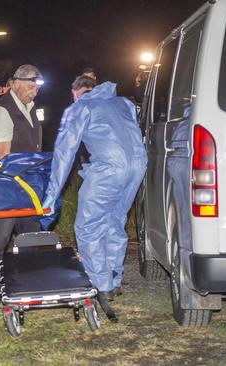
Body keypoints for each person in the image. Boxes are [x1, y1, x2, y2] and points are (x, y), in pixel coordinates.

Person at [42, 77, 147, 303]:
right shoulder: (124, 103)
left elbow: (64, 152)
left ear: (75, 92)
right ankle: (114, 277)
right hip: (137, 167)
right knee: (114, 220)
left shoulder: (80, 107)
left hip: (109, 168)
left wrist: (52, 192)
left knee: (88, 226)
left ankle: (100, 284)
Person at [0, 64, 44, 299]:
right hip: (4, 184)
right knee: (0, 234)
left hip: (26, 183)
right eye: (30, 87)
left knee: (31, 231)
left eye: (37, 88)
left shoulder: (30, 107)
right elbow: (3, 158)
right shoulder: (2, 110)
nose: (34, 92)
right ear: (15, 83)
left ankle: (29, 278)